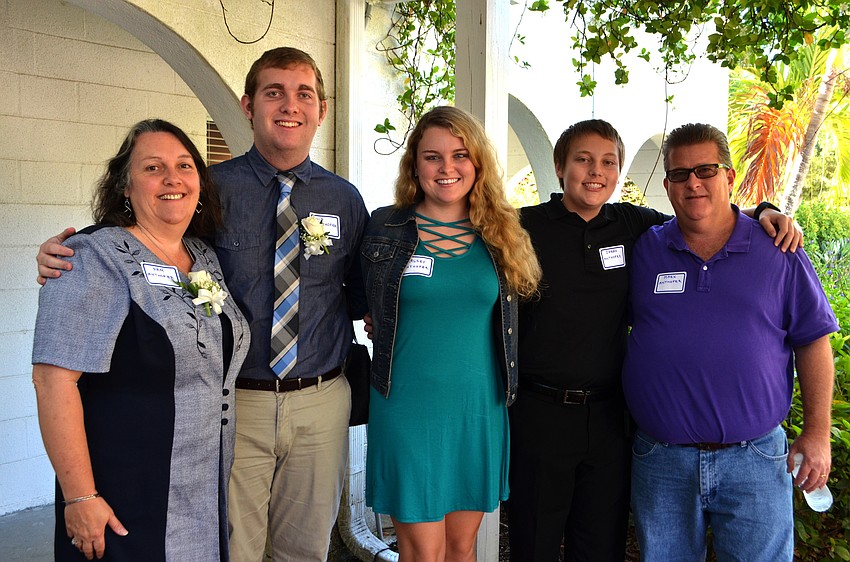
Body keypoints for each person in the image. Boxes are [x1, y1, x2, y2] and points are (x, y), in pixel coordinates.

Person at [36, 48, 369, 562]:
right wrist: (65, 254)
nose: (289, 105)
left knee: (305, 549)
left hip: (319, 400)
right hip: (236, 402)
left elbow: (357, 294)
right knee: (232, 546)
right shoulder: (209, 188)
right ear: (247, 105)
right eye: (273, 92)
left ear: (321, 109)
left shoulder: (345, 200)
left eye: (304, 94)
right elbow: (145, 240)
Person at [508, 119, 804, 562]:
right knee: (535, 543)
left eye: (608, 162)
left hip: (609, 421)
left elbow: (704, 213)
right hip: (539, 415)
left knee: (599, 546)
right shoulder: (520, 227)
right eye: (583, 160)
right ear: (559, 165)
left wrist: (763, 211)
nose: (596, 171)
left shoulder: (632, 226)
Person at [32, 119, 250, 561]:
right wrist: (80, 497)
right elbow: (53, 381)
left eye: (184, 165)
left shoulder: (202, 254)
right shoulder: (92, 256)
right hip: (124, 495)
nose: (172, 178)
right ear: (125, 188)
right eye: (153, 168)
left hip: (200, 490)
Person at [622, 123, 837, 561]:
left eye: (706, 169)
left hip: (755, 460)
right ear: (667, 185)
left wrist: (816, 432)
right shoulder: (645, 249)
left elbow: (813, 341)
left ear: (729, 176)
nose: (693, 182)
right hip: (662, 461)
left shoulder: (778, 248)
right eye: (680, 174)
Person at [360, 105, 541, 562]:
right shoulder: (384, 227)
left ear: (477, 163)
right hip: (406, 406)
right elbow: (354, 294)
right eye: (432, 157)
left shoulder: (501, 233)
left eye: (459, 155)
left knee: (462, 550)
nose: (447, 168)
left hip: (477, 409)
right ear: (414, 165)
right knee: (424, 553)